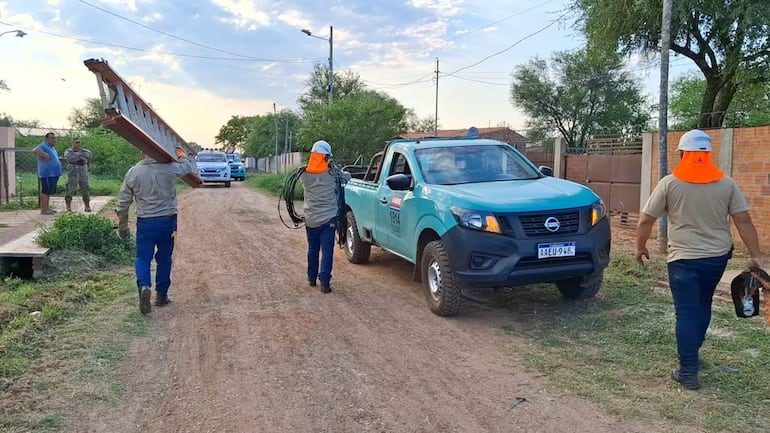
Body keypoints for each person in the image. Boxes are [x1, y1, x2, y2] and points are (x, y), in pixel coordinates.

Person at [635, 129, 763, 391]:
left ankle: (688, 370)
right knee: (702, 304)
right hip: (716, 259)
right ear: (708, 155)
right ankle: (692, 354)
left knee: (686, 312)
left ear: (682, 154)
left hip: (682, 259)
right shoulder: (726, 183)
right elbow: (743, 220)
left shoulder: (670, 183)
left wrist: (639, 247)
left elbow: (646, 219)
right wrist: (755, 255)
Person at [115, 147, 196, 314]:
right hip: (167, 222)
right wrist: (181, 155)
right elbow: (187, 167)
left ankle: (144, 286)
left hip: (145, 222)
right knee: (164, 258)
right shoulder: (170, 168)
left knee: (143, 257)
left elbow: (123, 203)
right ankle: (161, 296)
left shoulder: (133, 172)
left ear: (141, 153)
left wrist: (122, 225)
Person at [299, 140, 350, 293]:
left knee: (313, 248)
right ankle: (325, 283)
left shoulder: (304, 175)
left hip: (311, 219)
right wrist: (335, 167)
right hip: (329, 219)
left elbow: (314, 174)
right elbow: (347, 178)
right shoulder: (333, 174)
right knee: (327, 250)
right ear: (325, 157)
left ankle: (312, 277)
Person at [32, 132, 62, 215]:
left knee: (49, 191)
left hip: (53, 173)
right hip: (47, 173)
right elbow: (34, 150)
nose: (54, 140)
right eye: (52, 138)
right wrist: (44, 155)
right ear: (46, 139)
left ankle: (47, 208)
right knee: (45, 190)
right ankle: (44, 209)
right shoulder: (43, 146)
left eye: (55, 138)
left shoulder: (52, 148)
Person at [63, 137, 93, 212]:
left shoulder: (85, 150)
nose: (78, 144)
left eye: (79, 142)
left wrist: (77, 157)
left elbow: (89, 155)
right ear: (72, 143)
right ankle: (68, 207)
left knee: (85, 189)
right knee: (70, 189)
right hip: (72, 173)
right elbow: (69, 157)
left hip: (83, 173)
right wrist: (80, 158)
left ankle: (87, 206)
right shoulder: (68, 151)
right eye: (76, 142)